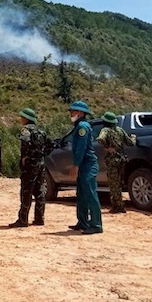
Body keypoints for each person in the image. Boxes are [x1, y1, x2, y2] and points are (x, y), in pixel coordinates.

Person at [9, 108, 52, 228]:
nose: (21, 119)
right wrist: (41, 155)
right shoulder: (41, 131)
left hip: (29, 165)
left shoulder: (25, 130)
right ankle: (39, 218)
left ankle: (23, 219)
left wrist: (25, 155)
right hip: (41, 164)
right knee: (39, 191)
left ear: (26, 118)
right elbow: (51, 144)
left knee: (26, 191)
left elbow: (25, 141)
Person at [67, 100, 103, 234]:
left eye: (73, 111)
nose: (71, 113)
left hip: (87, 164)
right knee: (82, 194)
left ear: (81, 113)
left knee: (90, 194)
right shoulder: (79, 126)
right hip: (84, 165)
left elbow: (81, 148)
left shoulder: (82, 126)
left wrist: (76, 165)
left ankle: (96, 224)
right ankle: (83, 222)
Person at [97, 111, 136, 213]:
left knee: (113, 184)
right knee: (119, 182)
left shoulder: (105, 130)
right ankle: (119, 204)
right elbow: (130, 143)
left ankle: (118, 206)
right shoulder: (120, 131)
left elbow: (100, 139)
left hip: (112, 160)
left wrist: (107, 147)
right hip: (122, 159)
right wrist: (134, 137)